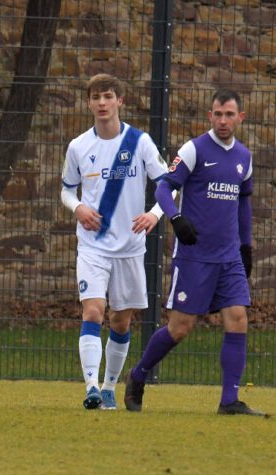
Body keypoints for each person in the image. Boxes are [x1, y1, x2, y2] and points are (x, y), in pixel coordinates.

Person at [124, 89, 265, 416]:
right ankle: (139, 374)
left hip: (229, 257)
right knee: (180, 328)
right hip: (194, 256)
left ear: (240, 118)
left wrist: (246, 246)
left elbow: (243, 204)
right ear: (210, 116)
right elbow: (164, 187)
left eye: (229, 114)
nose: (223, 120)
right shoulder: (194, 150)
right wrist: (176, 219)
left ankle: (229, 401)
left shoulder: (243, 157)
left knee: (238, 319)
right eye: (218, 114)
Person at [60, 73, 170, 410]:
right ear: (89, 103)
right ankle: (91, 387)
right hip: (93, 246)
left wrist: (154, 214)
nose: (102, 103)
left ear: (120, 101)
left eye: (108, 96)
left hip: (130, 248)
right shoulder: (79, 146)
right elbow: (67, 190)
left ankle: (109, 386)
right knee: (93, 311)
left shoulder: (140, 142)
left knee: (120, 321)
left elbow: (168, 185)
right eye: (96, 97)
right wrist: (78, 207)